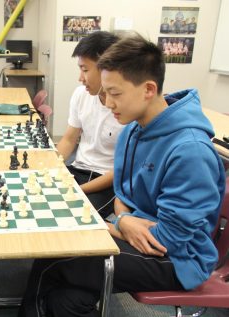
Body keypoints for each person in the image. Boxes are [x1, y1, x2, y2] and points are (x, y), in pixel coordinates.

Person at [19, 33, 226, 317]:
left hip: (177, 260)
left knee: (59, 258)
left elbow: (170, 239)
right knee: (69, 299)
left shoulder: (190, 151)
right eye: (105, 93)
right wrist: (124, 220)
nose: (108, 103)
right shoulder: (131, 129)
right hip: (139, 236)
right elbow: (123, 193)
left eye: (115, 94)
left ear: (149, 89)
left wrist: (115, 224)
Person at [56, 31, 124, 219]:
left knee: (71, 217)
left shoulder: (126, 109)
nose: (80, 78)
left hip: (107, 182)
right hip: (77, 169)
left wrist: (80, 189)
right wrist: (52, 166)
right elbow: (69, 139)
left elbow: (121, 171)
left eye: (85, 70)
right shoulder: (80, 94)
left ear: (106, 68)